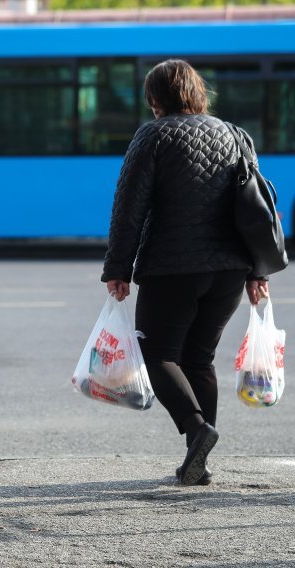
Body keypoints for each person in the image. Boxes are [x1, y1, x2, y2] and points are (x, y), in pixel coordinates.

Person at [101, 59, 271, 486]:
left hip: (172, 267)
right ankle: (199, 460)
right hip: (231, 269)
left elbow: (129, 208)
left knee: (155, 355)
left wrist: (118, 268)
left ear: (155, 98)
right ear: (198, 93)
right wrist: (258, 270)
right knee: (199, 359)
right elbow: (255, 206)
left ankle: (198, 431)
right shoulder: (235, 134)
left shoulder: (153, 135)